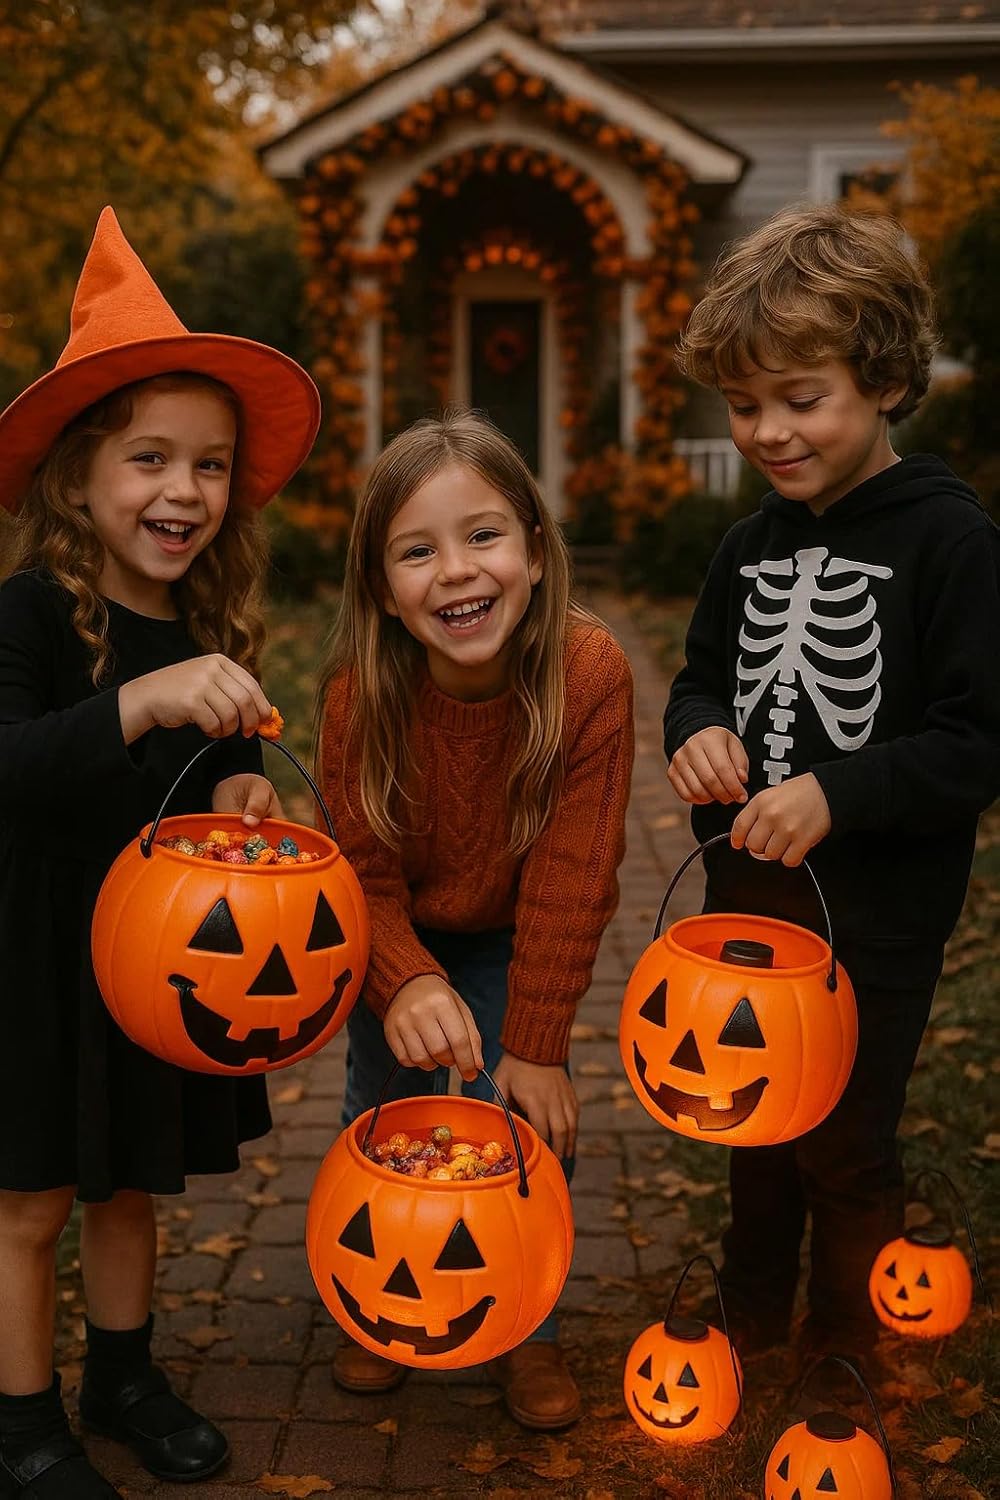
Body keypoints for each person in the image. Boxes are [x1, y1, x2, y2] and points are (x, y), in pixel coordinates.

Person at [0, 207, 320, 1496]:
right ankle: (22, 1419)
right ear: (79, 477)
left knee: (127, 1187)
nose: (183, 492)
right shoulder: (25, 616)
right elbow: (13, 764)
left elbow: (203, 780)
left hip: (151, 967)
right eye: (149, 459)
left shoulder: (205, 623)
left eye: (209, 466)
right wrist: (135, 700)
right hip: (32, 956)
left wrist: (241, 783)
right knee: (28, 1203)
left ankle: (122, 1374)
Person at [663, 204, 1000, 1386]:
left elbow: (977, 742)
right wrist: (698, 733)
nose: (767, 431)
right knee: (751, 1129)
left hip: (879, 926)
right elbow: (700, 677)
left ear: (888, 379)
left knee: (845, 1143)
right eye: (744, 406)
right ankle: (748, 1303)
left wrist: (839, 793)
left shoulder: (951, 542)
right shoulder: (744, 546)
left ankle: (843, 1331)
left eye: (800, 399)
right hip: (749, 907)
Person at [315, 409, 633, 1429]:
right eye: (417, 551)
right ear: (383, 590)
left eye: (483, 535)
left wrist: (535, 1042)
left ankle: (520, 1323)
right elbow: (355, 870)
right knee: (388, 1103)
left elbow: (573, 874)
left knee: (521, 1119)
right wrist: (402, 977)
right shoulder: (362, 696)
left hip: (512, 925)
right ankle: (378, 1310)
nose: (456, 571)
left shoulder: (587, 678)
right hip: (397, 920)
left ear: (535, 552)